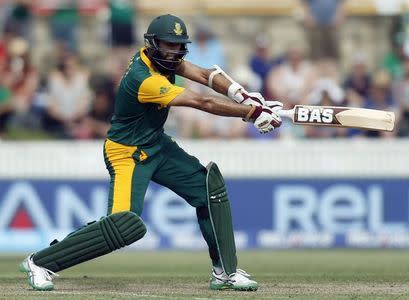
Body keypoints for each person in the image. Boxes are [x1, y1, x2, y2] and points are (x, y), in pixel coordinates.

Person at [19, 14, 282, 292]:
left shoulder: (163, 59)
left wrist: (243, 95)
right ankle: (40, 262)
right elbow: (200, 101)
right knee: (123, 226)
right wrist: (251, 114)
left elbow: (207, 75)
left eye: (179, 46)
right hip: (128, 153)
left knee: (209, 190)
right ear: (152, 44)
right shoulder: (144, 79)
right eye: (168, 45)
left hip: (156, 144)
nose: (174, 53)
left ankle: (225, 273)